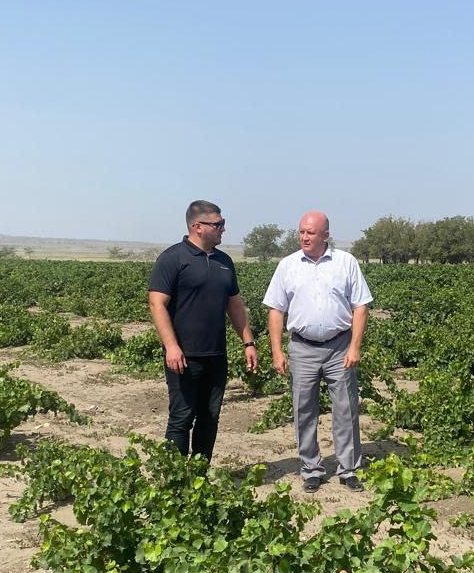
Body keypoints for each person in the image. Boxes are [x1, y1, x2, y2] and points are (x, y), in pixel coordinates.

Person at [263, 211, 373, 492]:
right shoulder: (288, 265)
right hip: (302, 347)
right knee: (303, 408)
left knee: (346, 408)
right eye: (301, 232)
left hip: (339, 346)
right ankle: (311, 468)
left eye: (310, 233)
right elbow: (276, 310)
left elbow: (360, 306)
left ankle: (348, 468)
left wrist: (354, 346)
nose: (304, 237)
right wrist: (277, 351)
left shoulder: (345, 263)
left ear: (326, 235)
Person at [148, 200, 258, 461]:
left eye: (223, 224)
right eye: (218, 224)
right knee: (182, 416)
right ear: (197, 226)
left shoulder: (224, 261)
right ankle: (174, 481)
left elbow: (235, 305)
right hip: (184, 356)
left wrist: (248, 342)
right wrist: (172, 347)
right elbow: (157, 303)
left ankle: (199, 476)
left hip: (216, 355)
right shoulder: (173, 258)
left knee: (210, 416)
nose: (223, 229)